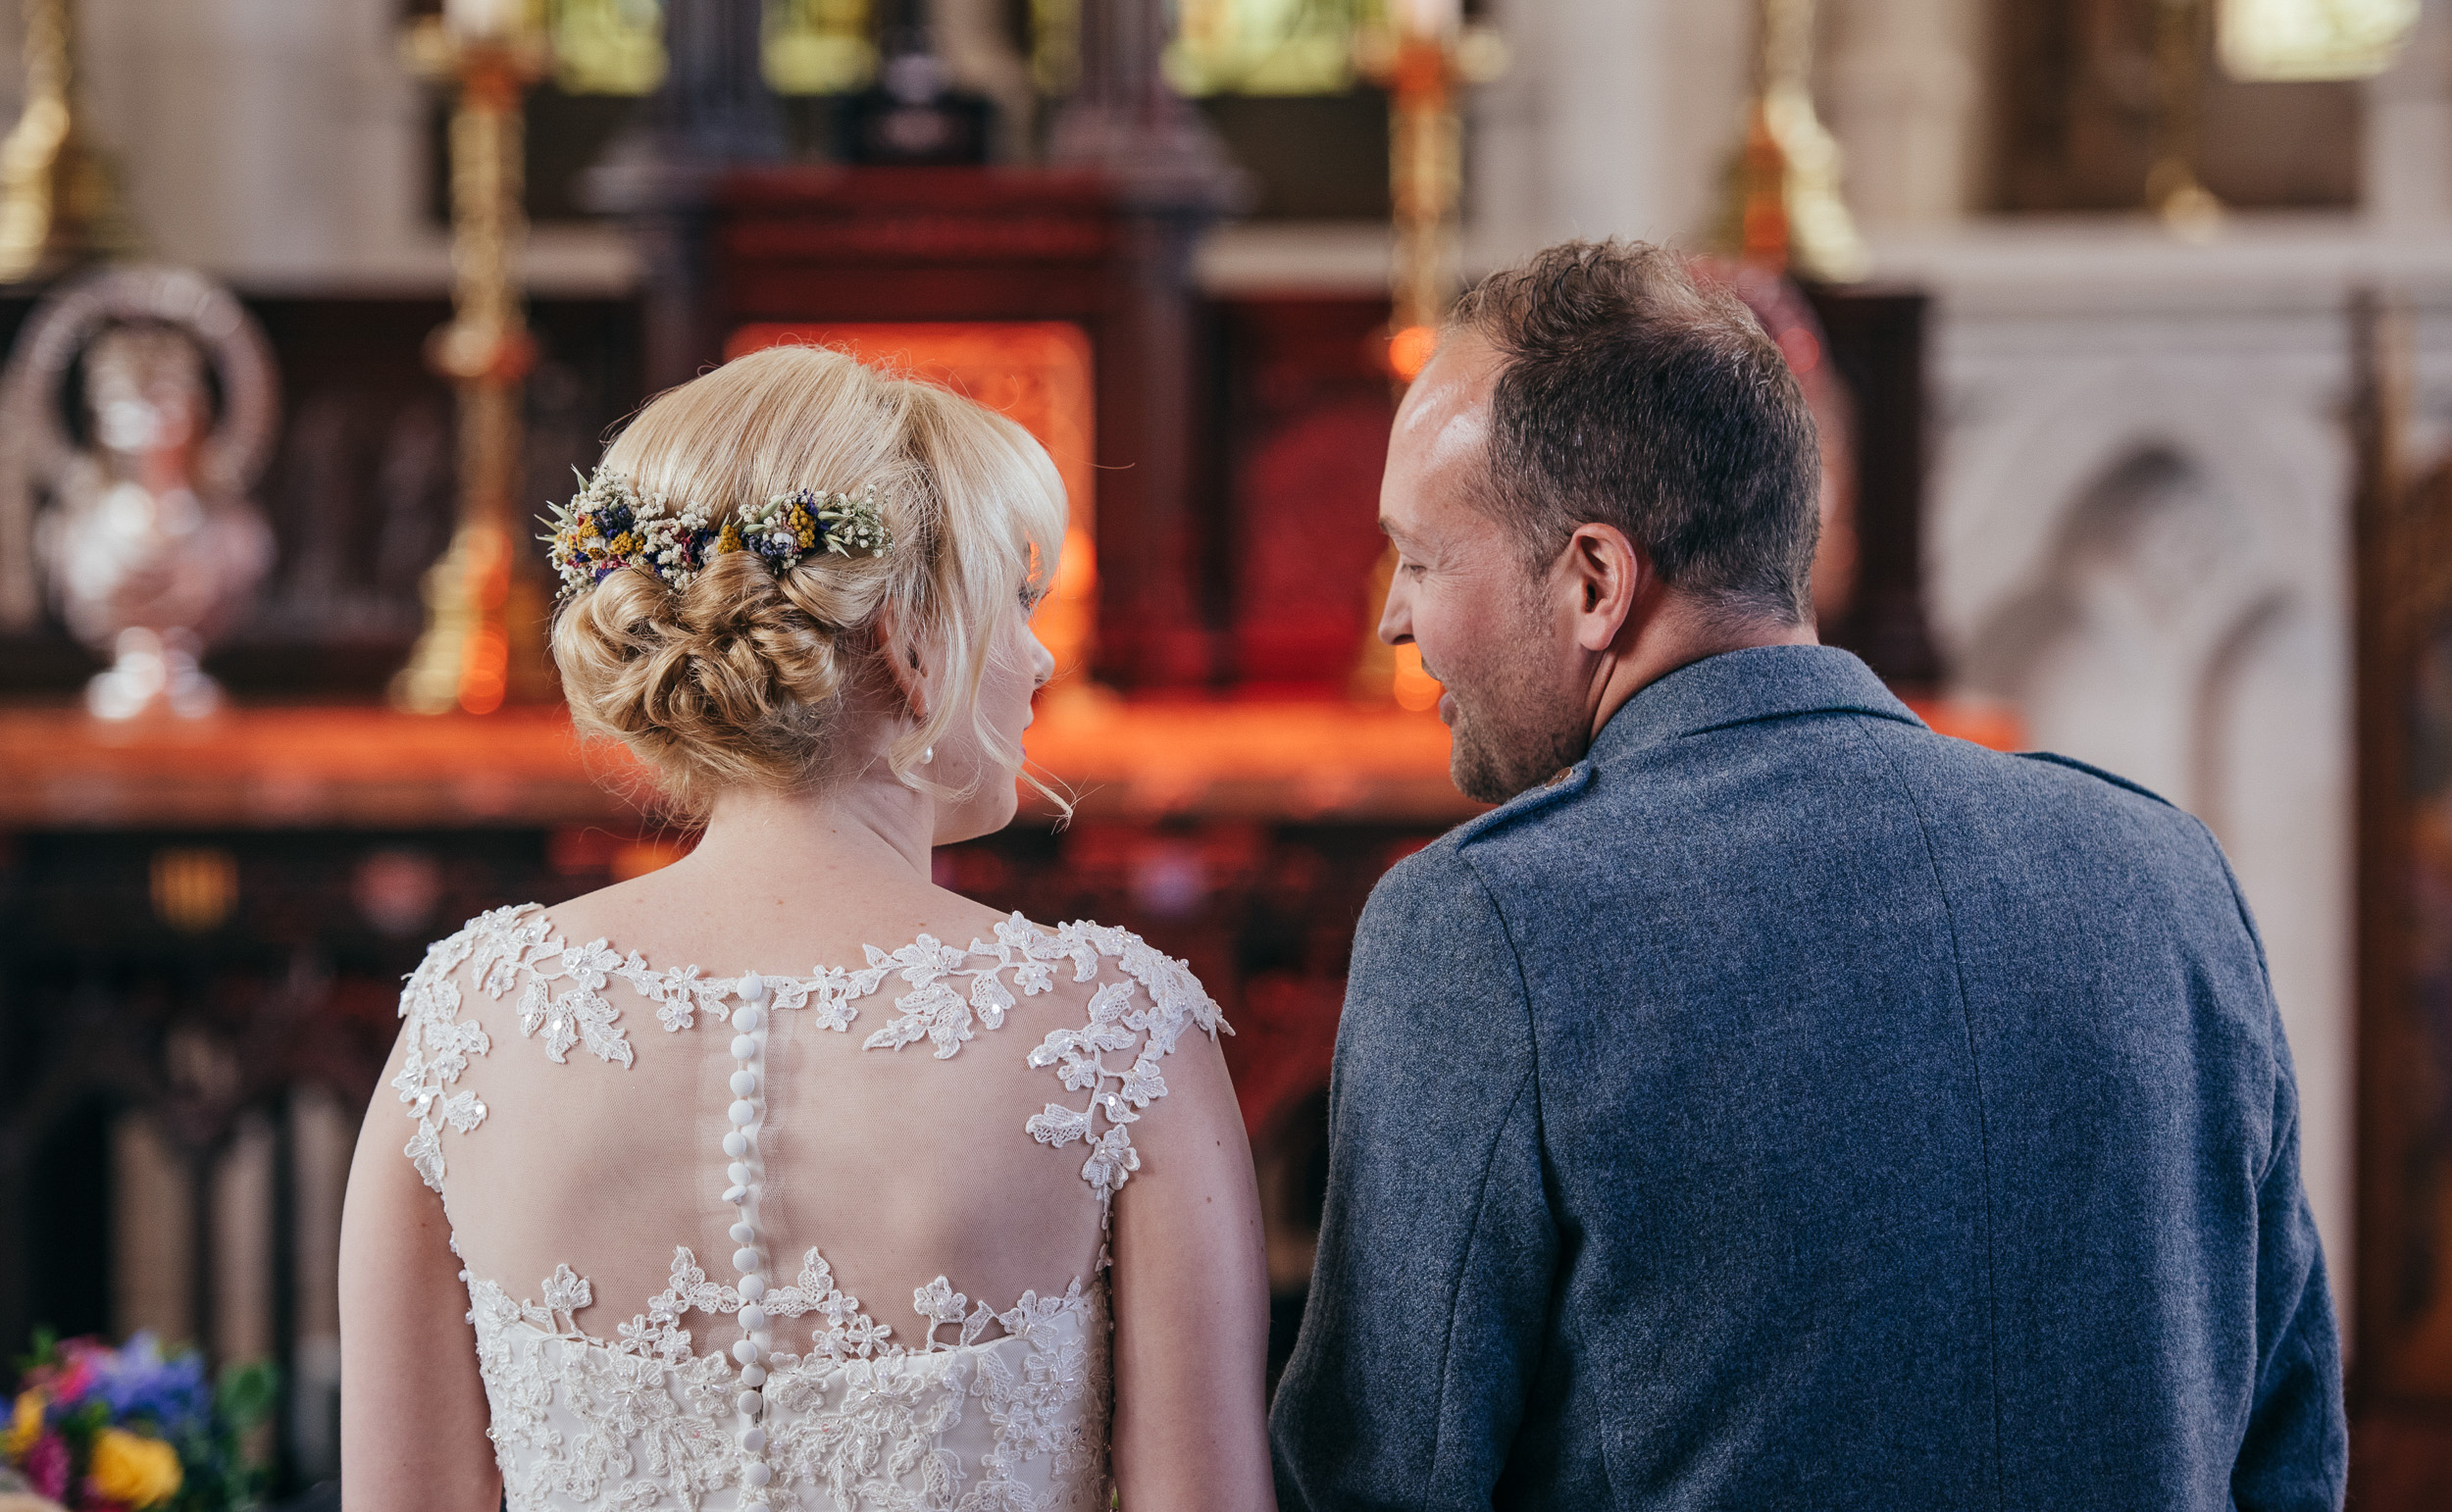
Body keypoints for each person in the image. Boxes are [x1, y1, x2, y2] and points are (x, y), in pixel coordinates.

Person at [1269, 240, 2345, 1509]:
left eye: (1424, 559)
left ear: (1596, 582)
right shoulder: (2163, 874)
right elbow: (2293, 1454)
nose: (1396, 619)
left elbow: (1381, 1482)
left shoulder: (1487, 925)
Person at [338, 346, 1275, 1512]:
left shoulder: (465, 1018)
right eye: (1019, 603)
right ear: (909, 639)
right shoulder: (1115, 1033)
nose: (1036, 658)